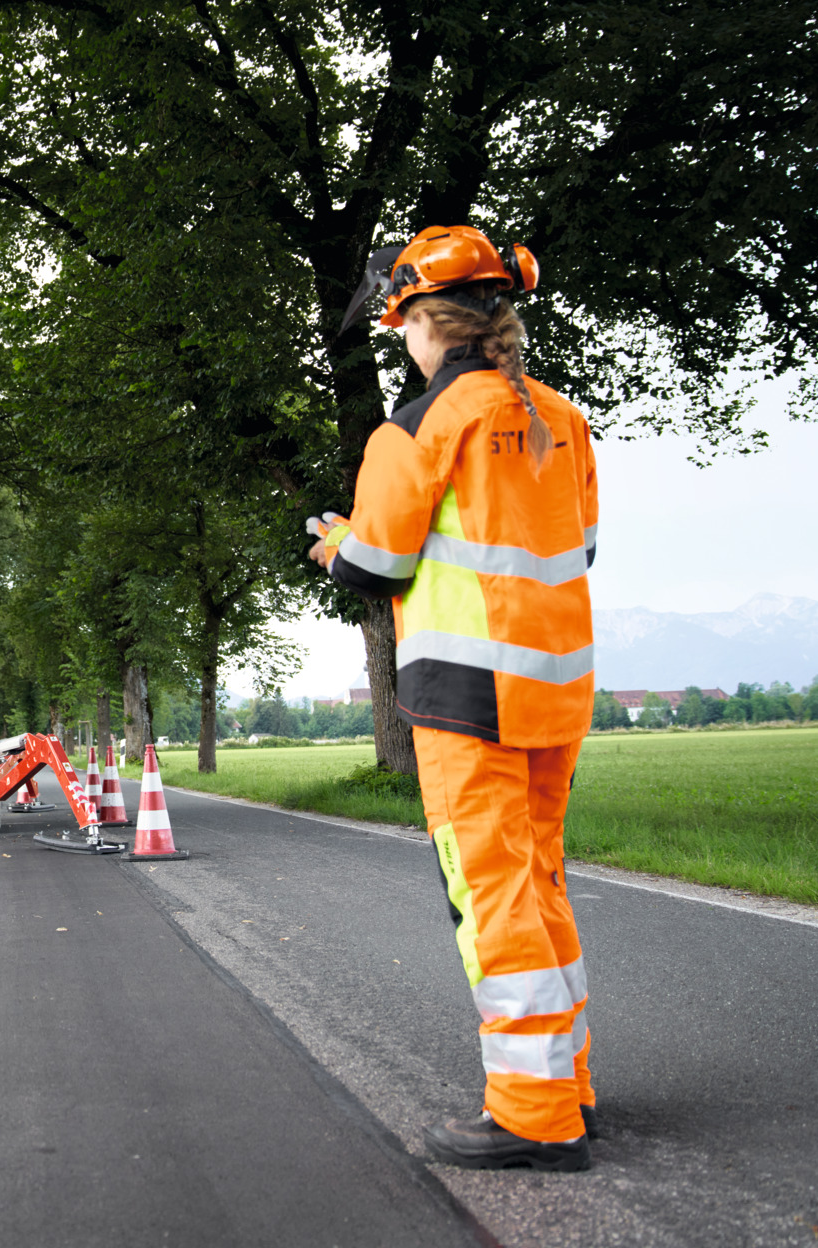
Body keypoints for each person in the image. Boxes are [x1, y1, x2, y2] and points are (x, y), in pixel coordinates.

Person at [309, 225, 601, 1172]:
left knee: (490, 896)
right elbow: (575, 548)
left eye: (398, 325)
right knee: (540, 884)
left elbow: (377, 560)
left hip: (464, 695)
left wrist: (334, 544)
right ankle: (569, 1087)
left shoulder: (417, 426)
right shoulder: (561, 418)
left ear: (422, 323)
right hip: (556, 687)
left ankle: (531, 1114)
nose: (396, 340)